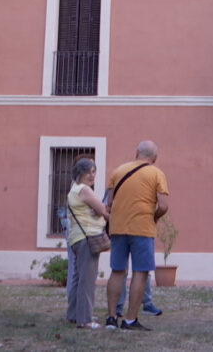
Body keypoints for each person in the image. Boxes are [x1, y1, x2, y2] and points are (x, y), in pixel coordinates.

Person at [104, 140, 169, 331]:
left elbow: (109, 203)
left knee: (117, 271)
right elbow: (163, 205)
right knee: (140, 272)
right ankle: (130, 320)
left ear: (136, 153)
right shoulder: (156, 173)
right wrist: (154, 217)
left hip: (117, 227)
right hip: (142, 228)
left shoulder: (118, 171)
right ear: (155, 158)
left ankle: (111, 317)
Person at [65, 158, 109, 329]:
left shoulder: (73, 189)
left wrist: (96, 210)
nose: (92, 175)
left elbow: (94, 210)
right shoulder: (84, 190)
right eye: (88, 172)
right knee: (87, 280)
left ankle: (73, 315)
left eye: (93, 171)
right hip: (88, 238)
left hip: (77, 238)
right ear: (80, 173)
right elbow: (102, 209)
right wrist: (100, 211)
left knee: (78, 278)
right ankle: (85, 320)